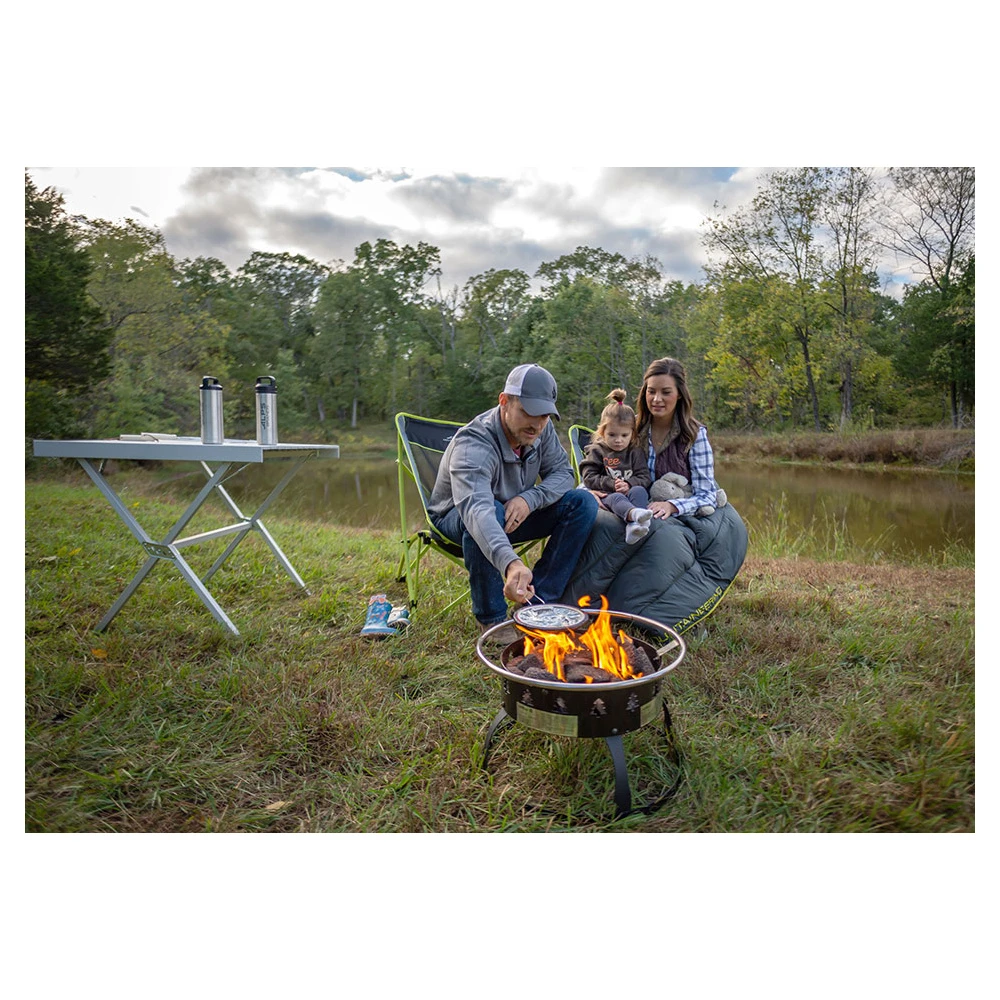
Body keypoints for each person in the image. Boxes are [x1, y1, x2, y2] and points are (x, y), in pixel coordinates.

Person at [428, 363, 599, 643]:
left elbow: (564, 474)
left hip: (512, 512)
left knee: (582, 503)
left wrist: (530, 498)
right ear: (504, 401)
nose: (538, 423)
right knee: (491, 510)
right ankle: (492, 619)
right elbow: (477, 510)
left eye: (545, 415)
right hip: (458, 516)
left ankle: (538, 602)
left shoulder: (539, 432)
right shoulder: (474, 443)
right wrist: (511, 564)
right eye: (528, 412)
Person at [635, 357, 721, 520]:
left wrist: (673, 506)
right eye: (651, 391)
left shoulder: (694, 434)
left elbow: (707, 496)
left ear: (679, 394)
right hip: (633, 513)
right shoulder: (630, 428)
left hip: (674, 522)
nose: (656, 399)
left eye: (666, 392)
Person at [578, 388, 654, 544]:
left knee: (639, 490)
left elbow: (645, 477)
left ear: (632, 434)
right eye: (612, 435)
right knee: (617, 497)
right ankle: (633, 517)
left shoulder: (635, 451)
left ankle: (637, 524)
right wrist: (611, 484)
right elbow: (588, 476)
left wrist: (629, 484)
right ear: (602, 432)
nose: (618, 440)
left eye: (624, 435)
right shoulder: (597, 450)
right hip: (607, 496)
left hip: (630, 493)